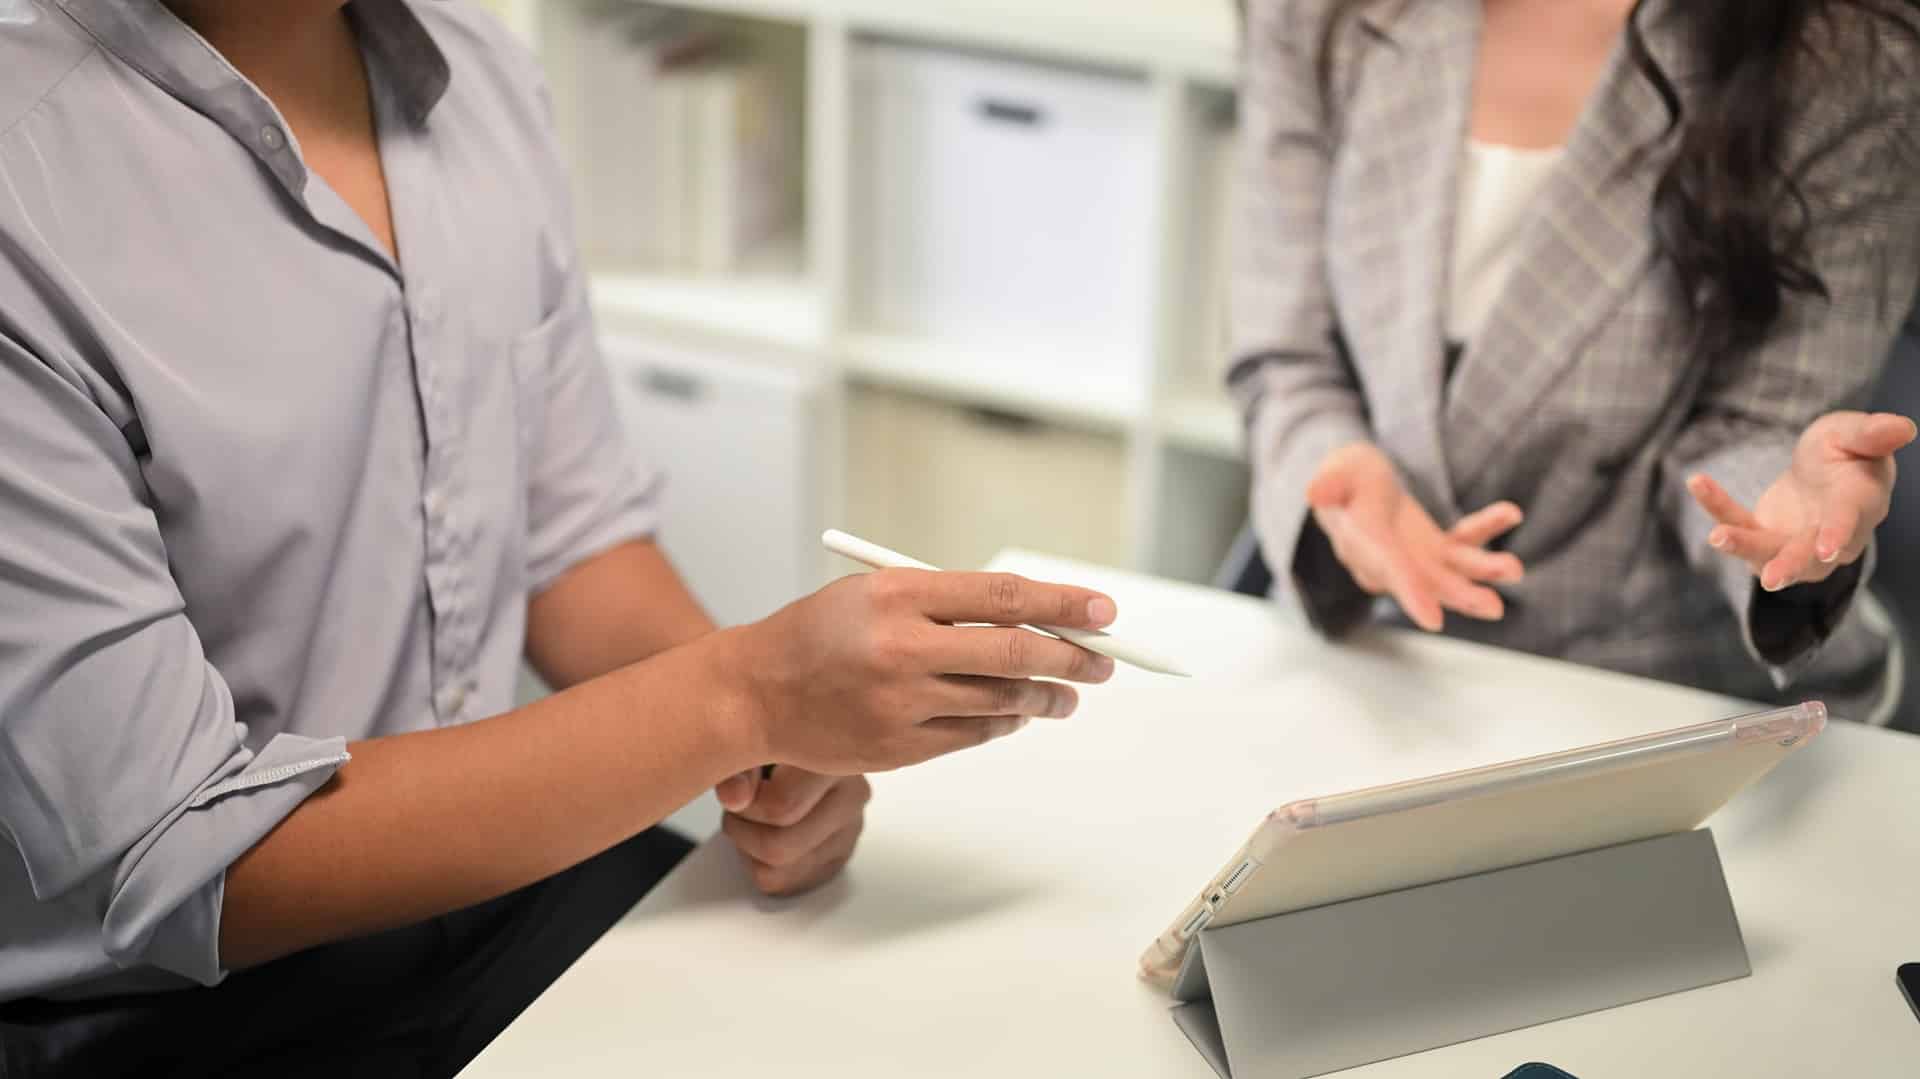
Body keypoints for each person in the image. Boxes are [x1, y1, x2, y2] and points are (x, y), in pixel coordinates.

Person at [0, 2, 1122, 1074]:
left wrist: (778, 759)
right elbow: (191, 863)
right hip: (157, 1017)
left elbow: (567, 534)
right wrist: (745, 695)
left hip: (500, 883)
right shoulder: (28, 187)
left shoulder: (477, 73)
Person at [1232, 0, 1920, 718]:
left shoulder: (1849, 60)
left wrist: (1789, 520)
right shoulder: (1314, 13)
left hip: (1664, 698)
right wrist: (1334, 484)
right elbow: (1283, 358)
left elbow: (1750, 428)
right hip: (1366, 664)